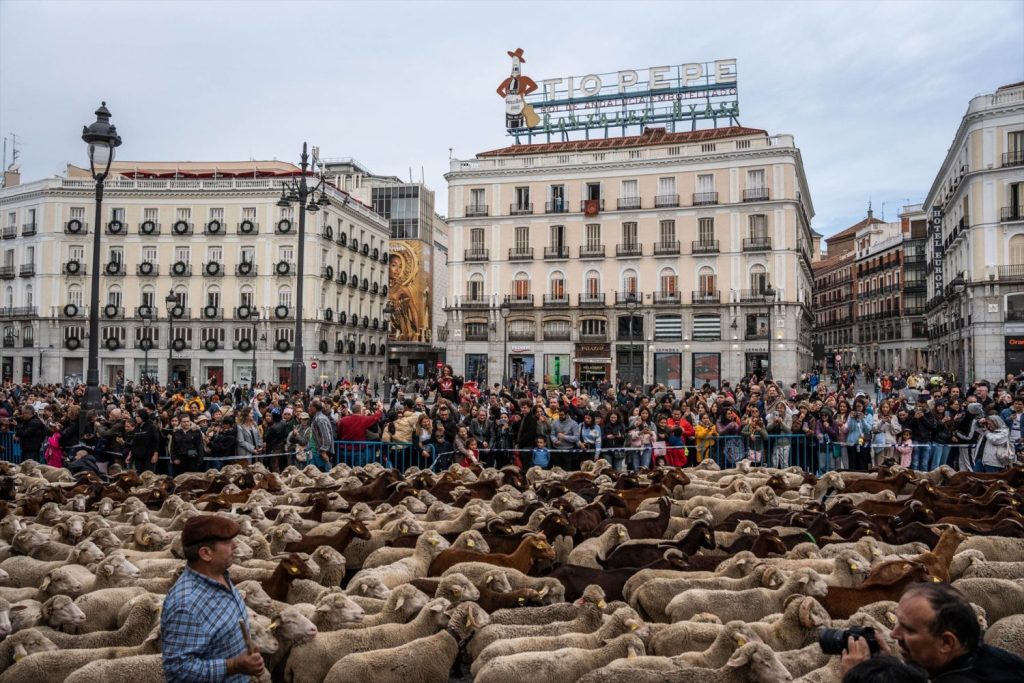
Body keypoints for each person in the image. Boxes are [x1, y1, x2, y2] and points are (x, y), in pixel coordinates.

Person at [840, 583, 1024, 682]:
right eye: (897, 623)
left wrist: (858, 676)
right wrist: (889, 667)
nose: (893, 634)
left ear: (946, 642)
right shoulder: (1000, 662)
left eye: (909, 629)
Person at [161, 514, 264, 682]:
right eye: (227, 542)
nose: (236, 545)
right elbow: (178, 669)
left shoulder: (221, 575)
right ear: (206, 553)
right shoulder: (186, 604)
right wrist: (234, 665)